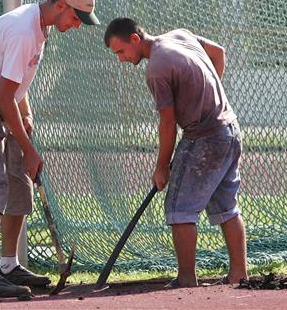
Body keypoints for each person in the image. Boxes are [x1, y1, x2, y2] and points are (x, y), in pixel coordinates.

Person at [0, 0, 99, 297]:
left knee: (19, 183)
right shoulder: (23, 31)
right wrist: (30, 148)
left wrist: (27, 112)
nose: (76, 26)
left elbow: (16, 85)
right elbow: (4, 97)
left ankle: (8, 264)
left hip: (3, 106)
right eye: (76, 18)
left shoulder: (39, 28)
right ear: (61, 5)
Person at [104, 18, 248, 288]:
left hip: (204, 138)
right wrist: (205, 92)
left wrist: (162, 167)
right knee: (226, 206)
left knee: (179, 207)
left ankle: (186, 278)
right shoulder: (181, 34)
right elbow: (219, 52)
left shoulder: (156, 69)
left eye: (121, 52)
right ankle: (239, 274)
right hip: (230, 130)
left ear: (135, 39)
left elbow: (167, 122)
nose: (121, 59)